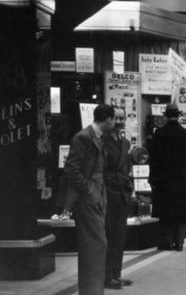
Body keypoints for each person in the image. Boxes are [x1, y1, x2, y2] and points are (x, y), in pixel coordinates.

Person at [63, 103, 115, 294]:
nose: (116, 123)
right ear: (108, 120)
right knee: (95, 245)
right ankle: (91, 291)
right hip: (89, 200)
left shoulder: (98, 137)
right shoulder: (83, 137)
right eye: (115, 119)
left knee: (95, 246)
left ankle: (93, 290)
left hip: (97, 199)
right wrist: (90, 190)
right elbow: (71, 169)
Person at [148, 104, 186, 251]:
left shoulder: (159, 134)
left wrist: (153, 180)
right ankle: (180, 242)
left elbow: (154, 160)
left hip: (164, 182)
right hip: (182, 181)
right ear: (179, 115)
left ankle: (167, 241)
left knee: (166, 213)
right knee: (181, 213)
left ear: (165, 116)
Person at [103, 107, 134, 289]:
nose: (120, 121)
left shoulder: (125, 143)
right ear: (109, 120)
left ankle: (117, 274)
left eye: (123, 118)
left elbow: (126, 168)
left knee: (120, 237)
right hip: (108, 193)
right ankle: (107, 277)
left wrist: (129, 187)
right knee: (109, 236)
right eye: (116, 118)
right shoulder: (102, 142)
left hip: (122, 195)